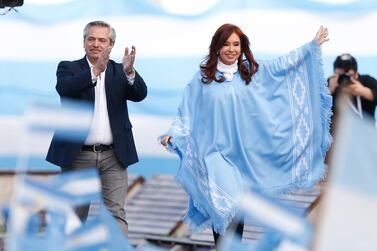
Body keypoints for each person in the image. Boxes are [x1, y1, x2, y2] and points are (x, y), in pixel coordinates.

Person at [160, 24, 331, 247]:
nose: (231, 49)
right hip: (213, 154)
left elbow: (282, 67)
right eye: (226, 44)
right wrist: (173, 134)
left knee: (237, 210)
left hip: (243, 155)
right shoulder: (203, 78)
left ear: (242, 47)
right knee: (224, 205)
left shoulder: (252, 72)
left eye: (236, 44)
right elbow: (187, 110)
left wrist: (310, 47)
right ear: (217, 47)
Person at [46, 20, 147, 235]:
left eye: (102, 40)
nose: (96, 44)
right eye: (91, 39)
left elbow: (140, 94)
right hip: (78, 156)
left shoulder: (120, 70)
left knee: (115, 214)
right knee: (74, 216)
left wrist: (130, 73)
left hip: (114, 155)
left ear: (111, 45)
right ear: (84, 43)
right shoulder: (68, 67)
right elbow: (65, 88)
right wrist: (94, 71)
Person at [328, 53, 377, 131]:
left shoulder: (366, 81)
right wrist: (329, 92)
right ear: (334, 74)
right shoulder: (329, 84)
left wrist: (364, 92)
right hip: (338, 137)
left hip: (366, 134)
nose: (344, 80)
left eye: (348, 76)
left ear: (356, 74)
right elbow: (315, 112)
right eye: (340, 75)